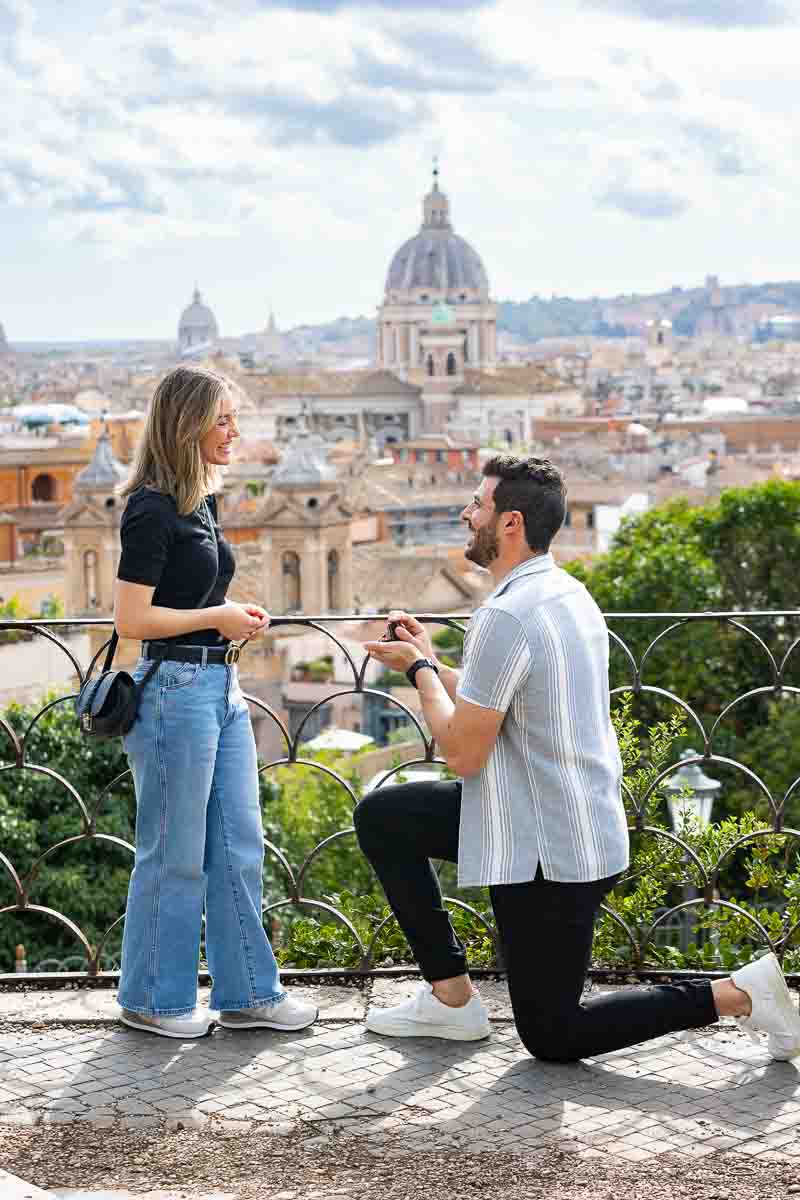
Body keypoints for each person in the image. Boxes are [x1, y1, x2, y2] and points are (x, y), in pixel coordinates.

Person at [356, 455, 800, 1062]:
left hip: (545, 851)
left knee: (554, 1034)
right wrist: (432, 658)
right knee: (386, 817)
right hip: (563, 821)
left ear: (509, 523)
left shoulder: (504, 615)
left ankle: (736, 994)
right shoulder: (565, 593)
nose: (466, 513)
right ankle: (451, 997)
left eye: (477, 505)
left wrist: (420, 671)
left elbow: (462, 751)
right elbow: (497, 697)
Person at [114, 364, 317, 1039]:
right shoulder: (149, 507)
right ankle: (153, 999)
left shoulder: (200, 501)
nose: (235, 432)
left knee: (238, 845)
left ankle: (248, 995)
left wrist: (228, 616)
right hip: (173, 692)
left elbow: (191, 599)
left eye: (234, 419)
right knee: (173, 852)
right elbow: (132, 621)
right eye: (223, 420)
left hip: (219, 687)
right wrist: (219, 618)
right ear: (187, 426)